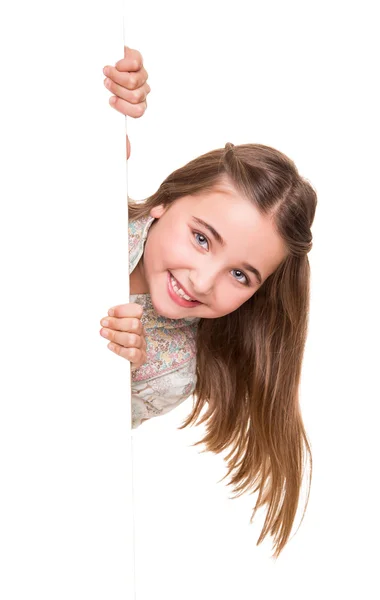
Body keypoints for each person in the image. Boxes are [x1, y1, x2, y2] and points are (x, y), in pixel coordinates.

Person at [100, 46, 318, 559]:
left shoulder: (171, 369)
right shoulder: (91, 198)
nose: (202, 281)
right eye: (202, 239)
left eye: (240, 275)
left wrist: (115, 373)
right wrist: (109, 93)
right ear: (167, 200)